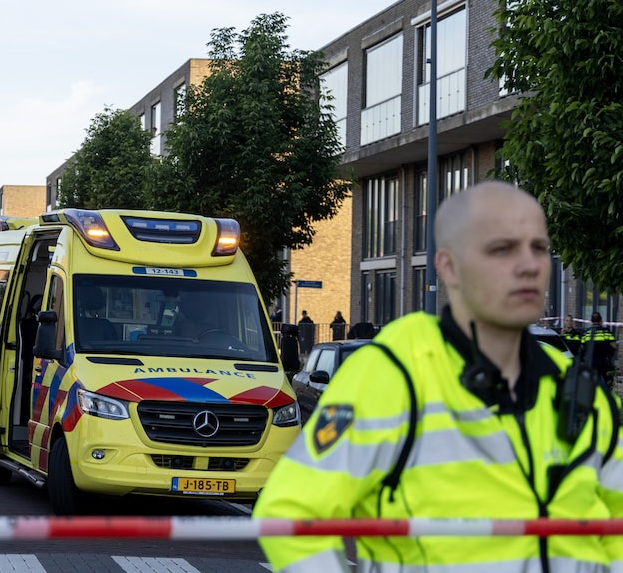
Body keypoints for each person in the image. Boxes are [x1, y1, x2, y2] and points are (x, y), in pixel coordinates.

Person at [254, 181, 623, 572]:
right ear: (448, 266)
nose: (529, 264)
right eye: (502, 248)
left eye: (538, 248)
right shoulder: (394, 374)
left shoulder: (580, 389)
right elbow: (289, 514)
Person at [580, 311, 618, 385]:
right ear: (601, 321)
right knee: (607, 384)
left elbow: (582, 349)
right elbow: (614, 346)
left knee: (591, 385)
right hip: (604, 363)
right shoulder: (606, 332)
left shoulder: (586, 334)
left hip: (590, 363)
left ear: (591, 321)